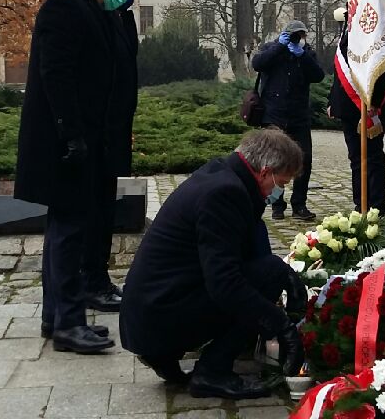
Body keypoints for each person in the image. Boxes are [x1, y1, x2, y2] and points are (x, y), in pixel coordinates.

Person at [120, 128, 307, 400]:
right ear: (265, 172)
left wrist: (289, 278)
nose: (279, 192)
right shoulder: (225, 193)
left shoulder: (223, 175)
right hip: (159, 316)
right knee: (269, 274)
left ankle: (168, 355)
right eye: (282, 183)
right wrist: (282, 326)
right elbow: (225, 284)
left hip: (155, 307)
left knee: (272, 271)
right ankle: (212, 372)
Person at [15, 0, 139, 354]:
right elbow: (57, 75)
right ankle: (68, 322)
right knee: (68, 233)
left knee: (66, 229)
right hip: (64, 142)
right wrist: (71, 134)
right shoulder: (64, 6)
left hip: (83, 140)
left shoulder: (96, 10)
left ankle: (57, 317)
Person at [250, 19, 325, 220]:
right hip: (273, 114)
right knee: (274, 161)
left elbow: (318, 75)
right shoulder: (273, 48)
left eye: (300, 35)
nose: (297, 38)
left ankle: (299, 205)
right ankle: (277, 204)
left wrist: (302, 55)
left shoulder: (305, 52)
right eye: (294, 34)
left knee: (304, 160)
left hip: (299, 115)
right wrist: (279, 46)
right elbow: (257, 63)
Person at [327, 18, 385, 216]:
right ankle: (360, 205)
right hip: (348, 107)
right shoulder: (349, 26)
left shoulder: (377, 21)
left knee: (373, 158)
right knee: (356, 159)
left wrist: (374, 103)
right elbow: (340, 67)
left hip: (369, 106)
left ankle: (376, 207)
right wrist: (332, 100)